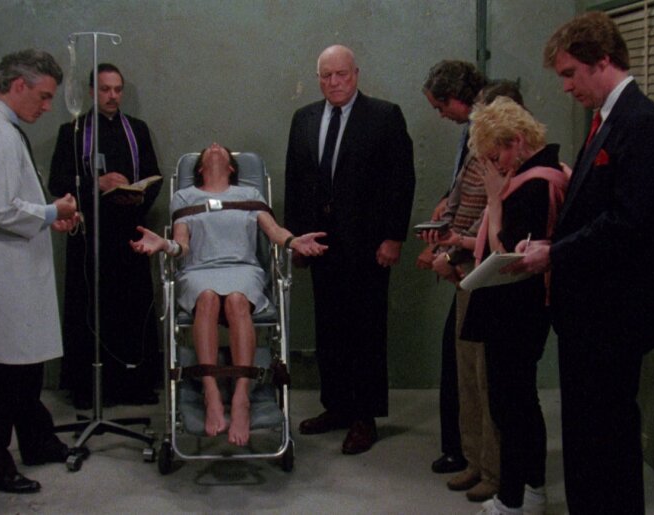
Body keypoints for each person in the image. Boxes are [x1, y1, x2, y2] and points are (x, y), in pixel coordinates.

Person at [509, 11, 654, 514]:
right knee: (585, 435)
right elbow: (596, 208)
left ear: (602, 61)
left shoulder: (641, 121)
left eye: (570, 73)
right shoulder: (606, 120)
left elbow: (630, 220)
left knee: (608, 438)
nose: (565, 87)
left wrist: (554, 253)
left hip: (615, 313)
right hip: (590, 311)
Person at [131, 143, 327, 446]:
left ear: (232, 168)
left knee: (237, 299)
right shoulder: (185, 197)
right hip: (198, 270)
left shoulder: (250, 194)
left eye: (220, 149)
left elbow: (274, 232)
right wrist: (164, 244)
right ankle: (211, 392)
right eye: (208, 149)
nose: (214, 147)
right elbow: (181, 245)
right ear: (200, 169)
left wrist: (293, 242)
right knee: (207, 298)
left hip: (243, 268)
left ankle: (241, 397)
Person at [0, 49, 85, 494]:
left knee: (25, 367)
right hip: (3, 272)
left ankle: (37, 440)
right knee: (2, 375)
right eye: (43, 96)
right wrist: (52, 210)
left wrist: (48, 216)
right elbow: (2, 209)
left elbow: (10, 202)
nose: (47, 107)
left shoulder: (1, 127)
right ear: (17, 86)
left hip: (15, 267)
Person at [284, 45, 415, 455]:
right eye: (326, 76)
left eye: (341, 74)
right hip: (320, 244)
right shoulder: (304, 118)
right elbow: (295, 180)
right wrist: (296, 238)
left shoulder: (384, 116)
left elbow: (402, 180)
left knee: (366, 330)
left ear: (356, 74)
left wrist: (394, 237)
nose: (334, 82)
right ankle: (337, 406)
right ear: (318, 78)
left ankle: (364, 417)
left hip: (368, 244)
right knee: (329, 329)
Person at [418, 81, 527, 504]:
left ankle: (495, 469)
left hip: (488, 271)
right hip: (466, 266)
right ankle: (475, 460)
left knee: (486, 377)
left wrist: (455, 250)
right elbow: (461, 200)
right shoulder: (476, 152)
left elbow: (491, 216)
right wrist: (445, 244)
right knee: (466, 372)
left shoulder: (512, 161)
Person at [461, 97, 568, 515]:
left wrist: (494, 201)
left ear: (517, 141)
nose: (496, 166)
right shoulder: (546, 173)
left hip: (517, 305)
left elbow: (507, 252)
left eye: (496, 156)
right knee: (517, 401)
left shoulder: (537, 183)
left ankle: (513, 498)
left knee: (511, 405)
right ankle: (529, 490)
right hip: (517, 305)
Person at [49, 63, 162, 409]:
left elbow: (153, 176)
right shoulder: (73, 131)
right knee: (91, 308)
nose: (112, 96)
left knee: (132, 307)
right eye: (104, 89)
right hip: (90, 235)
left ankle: (134, 385)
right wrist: (96, 183)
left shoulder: (137, 130)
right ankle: (88, 388)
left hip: (129, 231)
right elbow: (57, 182)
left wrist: (136, 197)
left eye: (117, 89)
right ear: (91, 92)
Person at [417, 59, 487, 477]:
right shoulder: (470, 131)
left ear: (457, 98)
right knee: (458, 358)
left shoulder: (488, 132)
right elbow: (463, 192)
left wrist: (452, 251)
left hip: (477, 261)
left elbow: (486, 205)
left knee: (467, 363)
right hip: (462, 251)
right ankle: (464, 450)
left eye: (441, 106)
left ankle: (469, 453)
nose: (440, 115)